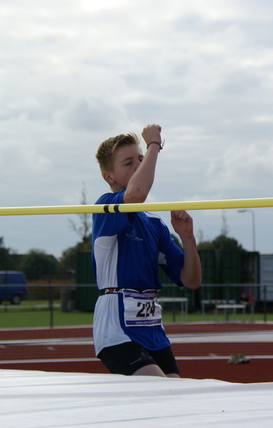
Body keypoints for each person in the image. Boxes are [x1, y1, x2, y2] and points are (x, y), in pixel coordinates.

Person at [92, 124, 202, 377]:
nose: (140, 166)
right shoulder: (105, 208)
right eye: (129, 163)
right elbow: (136, 194)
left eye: (141, 160)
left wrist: (187, 239)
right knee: (157, 388)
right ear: (109, 177)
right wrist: (154, 145)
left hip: (152, 330)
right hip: (116, 330)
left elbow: (192, 281)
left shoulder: (154, 224)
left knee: (173, 395)